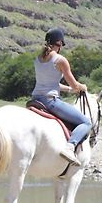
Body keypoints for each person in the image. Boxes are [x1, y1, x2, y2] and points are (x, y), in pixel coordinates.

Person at [31, 27, 91, 166]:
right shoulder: (60, 60)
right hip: (50, 101)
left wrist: (69, 90)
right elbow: (76, 85)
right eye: (61, 44)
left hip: (35, 99)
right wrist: (81, 87)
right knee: (86, 122)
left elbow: (50, 83)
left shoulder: (38, 59)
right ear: (59, 42)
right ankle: (69, 147)